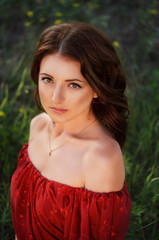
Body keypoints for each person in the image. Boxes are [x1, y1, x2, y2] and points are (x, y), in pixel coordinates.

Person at [11, 22, 132, 240]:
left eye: (73, 84)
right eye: (48, 80)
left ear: (97, 89)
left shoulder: (100, 159)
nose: (56, 98)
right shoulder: (38, 126)